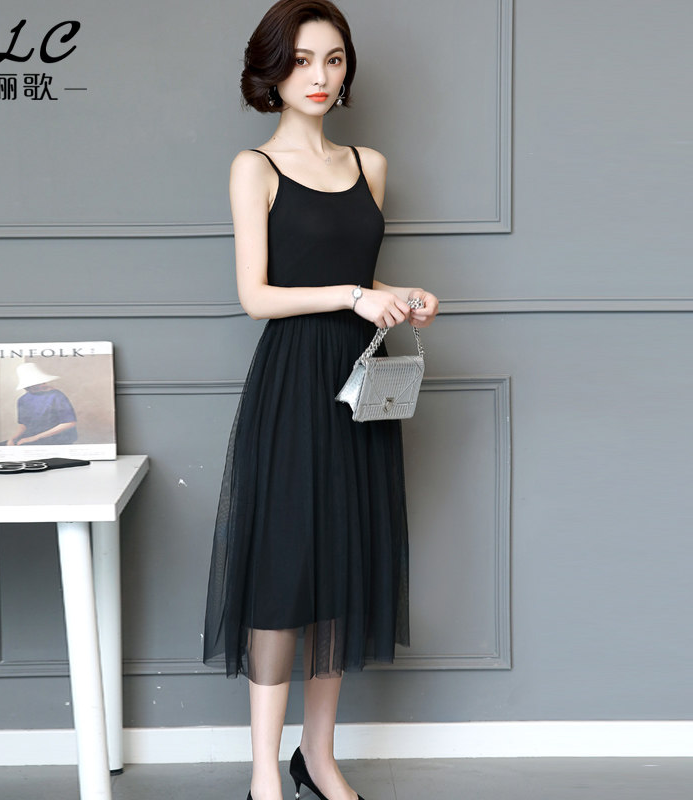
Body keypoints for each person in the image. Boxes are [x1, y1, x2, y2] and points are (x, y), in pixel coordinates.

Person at [203, 3, 439, 799]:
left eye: (333, 60)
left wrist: (400, 295)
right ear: (272, 71)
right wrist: (352, 294)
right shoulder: (254, 168)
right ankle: (264, 774)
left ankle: (319, 757)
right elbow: (257, 296)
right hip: (293, 382)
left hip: (359, 387)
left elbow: (356, 276)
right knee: (284, 573)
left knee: (344, 566)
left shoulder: (369, 164)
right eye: (302, 60)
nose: (319, 76)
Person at [4, 362, 78, 446]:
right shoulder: (22, 400)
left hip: (56, 439)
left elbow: (69, 423)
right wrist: (13, 438)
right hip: (32, 438)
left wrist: (35, 438)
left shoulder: (56, 395)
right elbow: (24, 424)